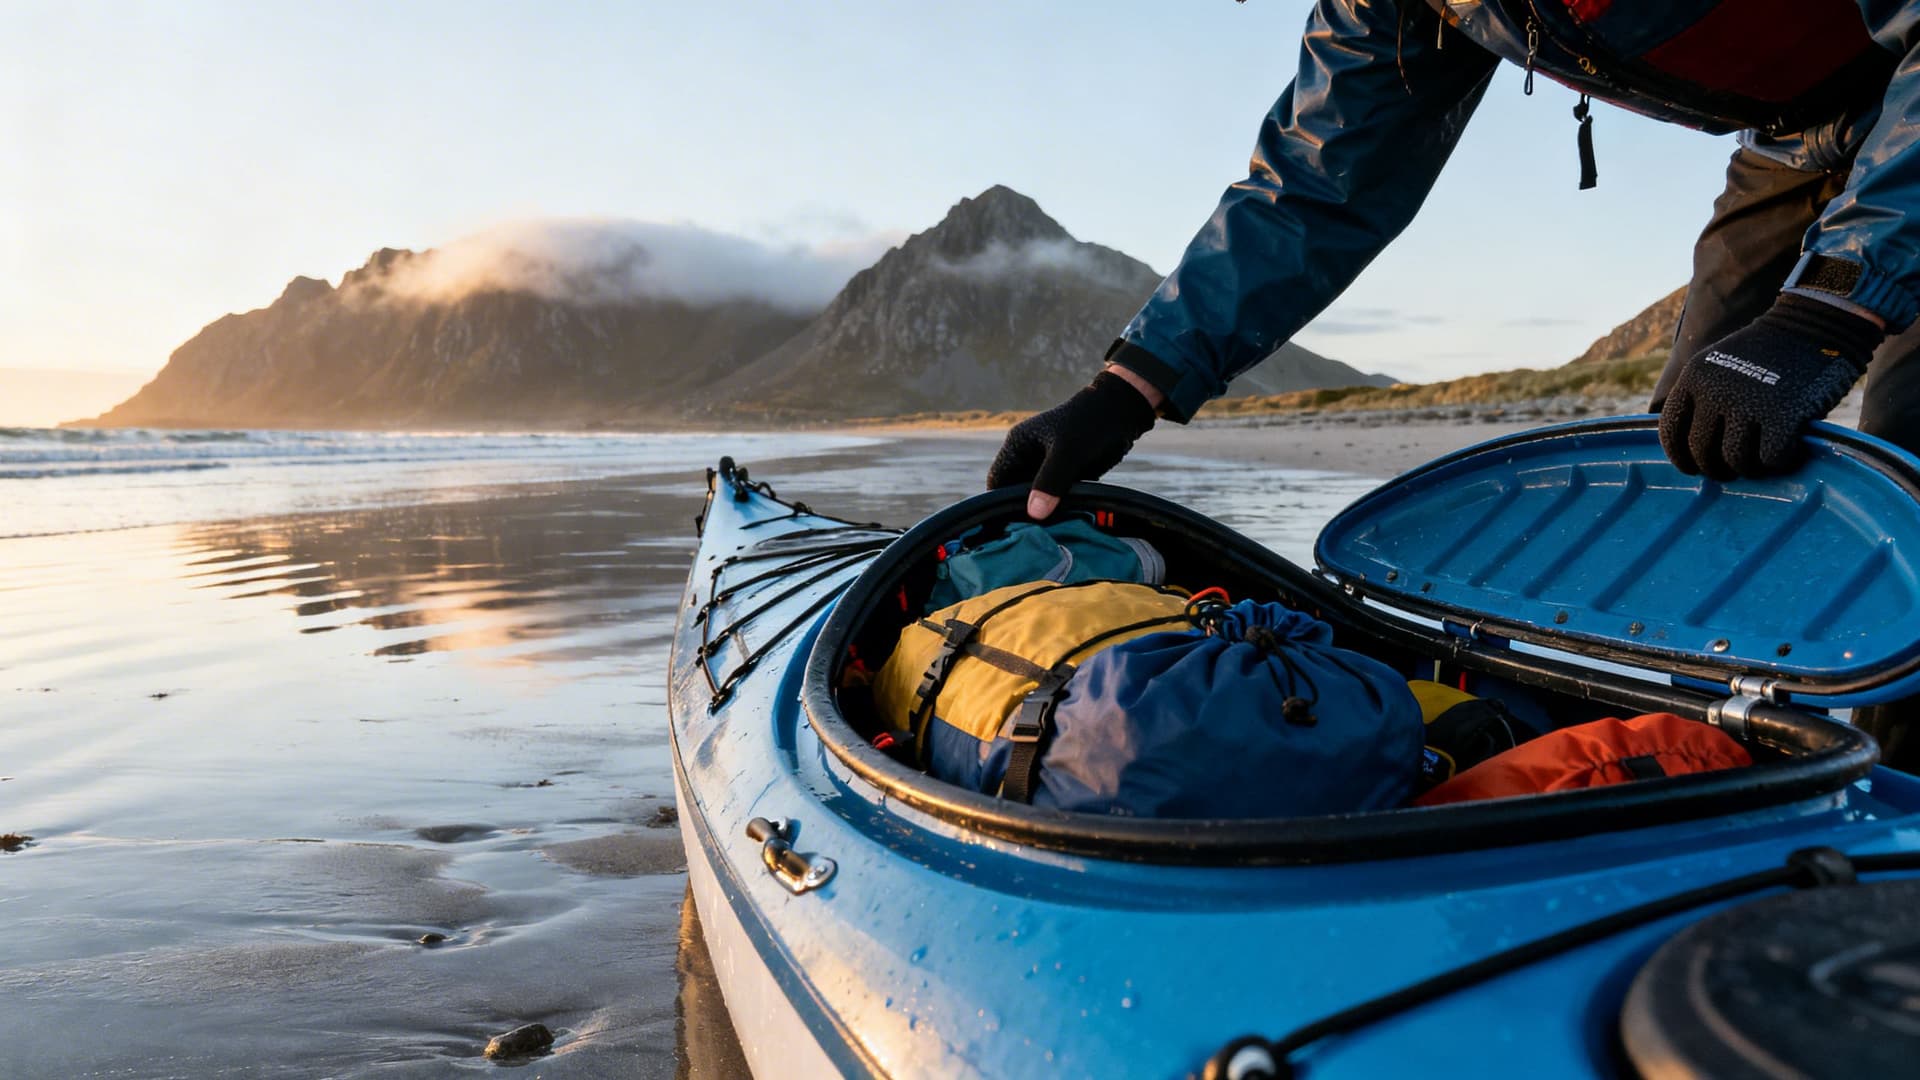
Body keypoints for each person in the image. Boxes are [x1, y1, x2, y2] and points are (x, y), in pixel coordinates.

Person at [987, 0, 1920, 767]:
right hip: (1800, 137)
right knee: (1689, 465)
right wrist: (1128, 385)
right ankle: (1718, 762)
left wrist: (1834, 303)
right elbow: (1313, 183)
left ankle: (1899, 806)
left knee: (1907, 455)